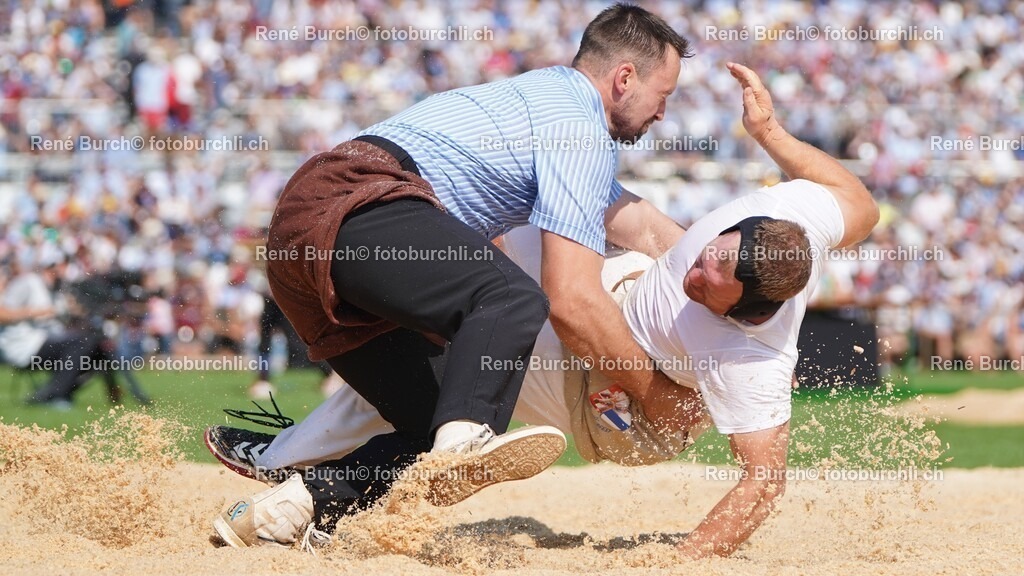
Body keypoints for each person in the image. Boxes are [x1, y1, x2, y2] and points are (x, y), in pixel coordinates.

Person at [209, 62, 879, 558]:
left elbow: (757, 475)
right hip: (619, 303)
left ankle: (315, 460)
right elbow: (860, 201)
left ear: (748, 315)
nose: (699, 270)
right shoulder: (793, 215)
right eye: (710, 252)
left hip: (618, 411)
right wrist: (771, 134)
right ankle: (303, 485)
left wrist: (679, 559)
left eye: (713, 281)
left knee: (476, 354)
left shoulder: (753, 356)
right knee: (525, 234)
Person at [208, 3, 693, 549]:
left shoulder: (543, 110)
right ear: (624, 78)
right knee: (512, 299)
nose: (662, 114)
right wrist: (656, 393)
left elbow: (643, 226)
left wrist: (725, 267)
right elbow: (571, 299)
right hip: (353, 207)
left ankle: (284, 511)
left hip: (315, 248)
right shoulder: (576, 125)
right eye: (664, 95)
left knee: (436, 415)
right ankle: (459, 445)